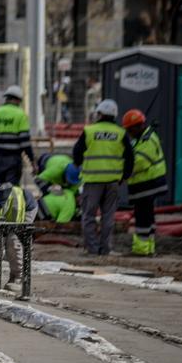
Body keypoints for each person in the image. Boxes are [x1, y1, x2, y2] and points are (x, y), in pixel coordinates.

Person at [72, 99, 133, 255]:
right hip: (113, 182)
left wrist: (79, 164)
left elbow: (76, 153)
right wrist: (124, 176)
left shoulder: (89, 131)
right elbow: (130, 157)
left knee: (89, 216)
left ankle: (92, 249)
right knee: (108, 217)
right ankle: (106, 248)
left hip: (92, 182)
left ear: (100, 114)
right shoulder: (121, 133)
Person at [123, 108, 167, 257]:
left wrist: (122, 170)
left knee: (142, 217)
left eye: (130, 129)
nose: (129, 133)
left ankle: (141, 250)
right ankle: (149, 248)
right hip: (148, 185)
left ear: (137, 126)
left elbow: (140, 163)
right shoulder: (143, 138)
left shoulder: (147, 140)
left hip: (147, 185)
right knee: (147, 217)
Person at [0, 85, 35, 186]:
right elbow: (25, 142)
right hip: (14, 159)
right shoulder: (20, 114)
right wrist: (32, 162)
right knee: (11, 190)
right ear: (18, 100)